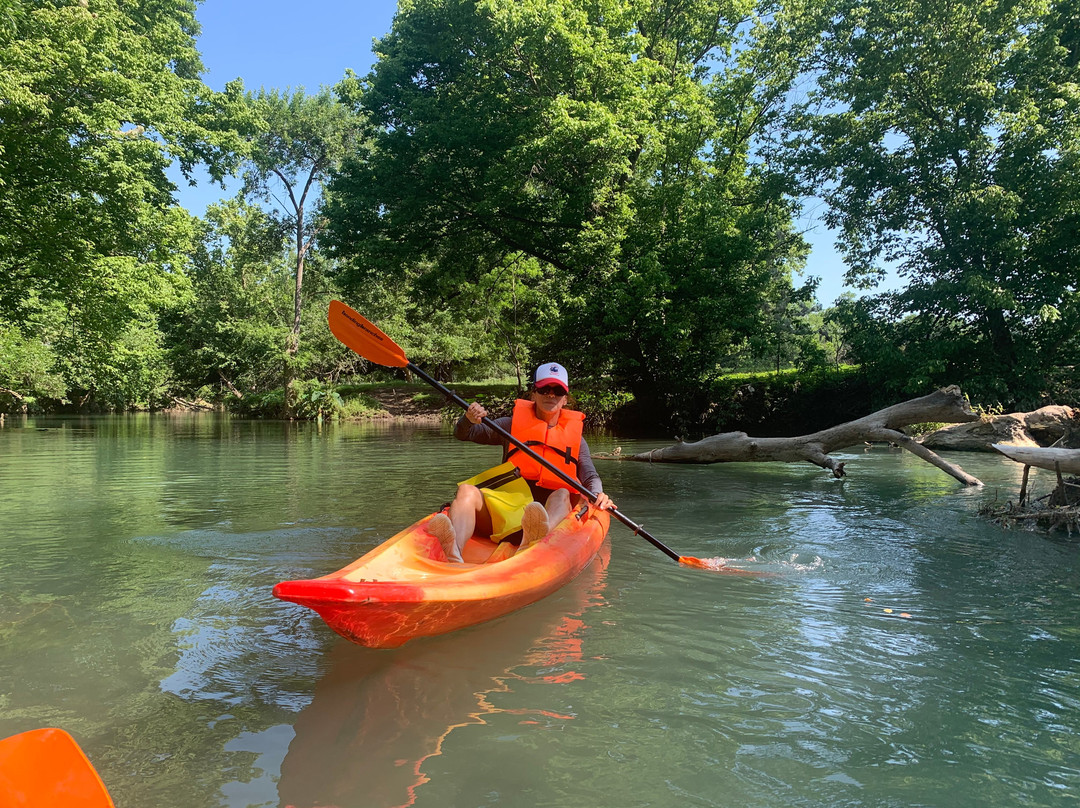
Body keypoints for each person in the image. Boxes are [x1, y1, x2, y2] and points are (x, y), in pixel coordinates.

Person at [428, 362, 615, 562]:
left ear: (565, 400)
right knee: (466, 490)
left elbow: (589, 475)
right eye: (544, 389)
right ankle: (454, 552)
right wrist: (468, 420)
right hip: (507, 510)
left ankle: (535, 539)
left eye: (558, 390)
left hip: (547, 514)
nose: (550, 395)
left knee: (561, 493)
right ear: (533, 394)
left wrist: (597, 494)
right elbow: (465, 434)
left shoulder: (576, 439)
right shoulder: (509, 425)